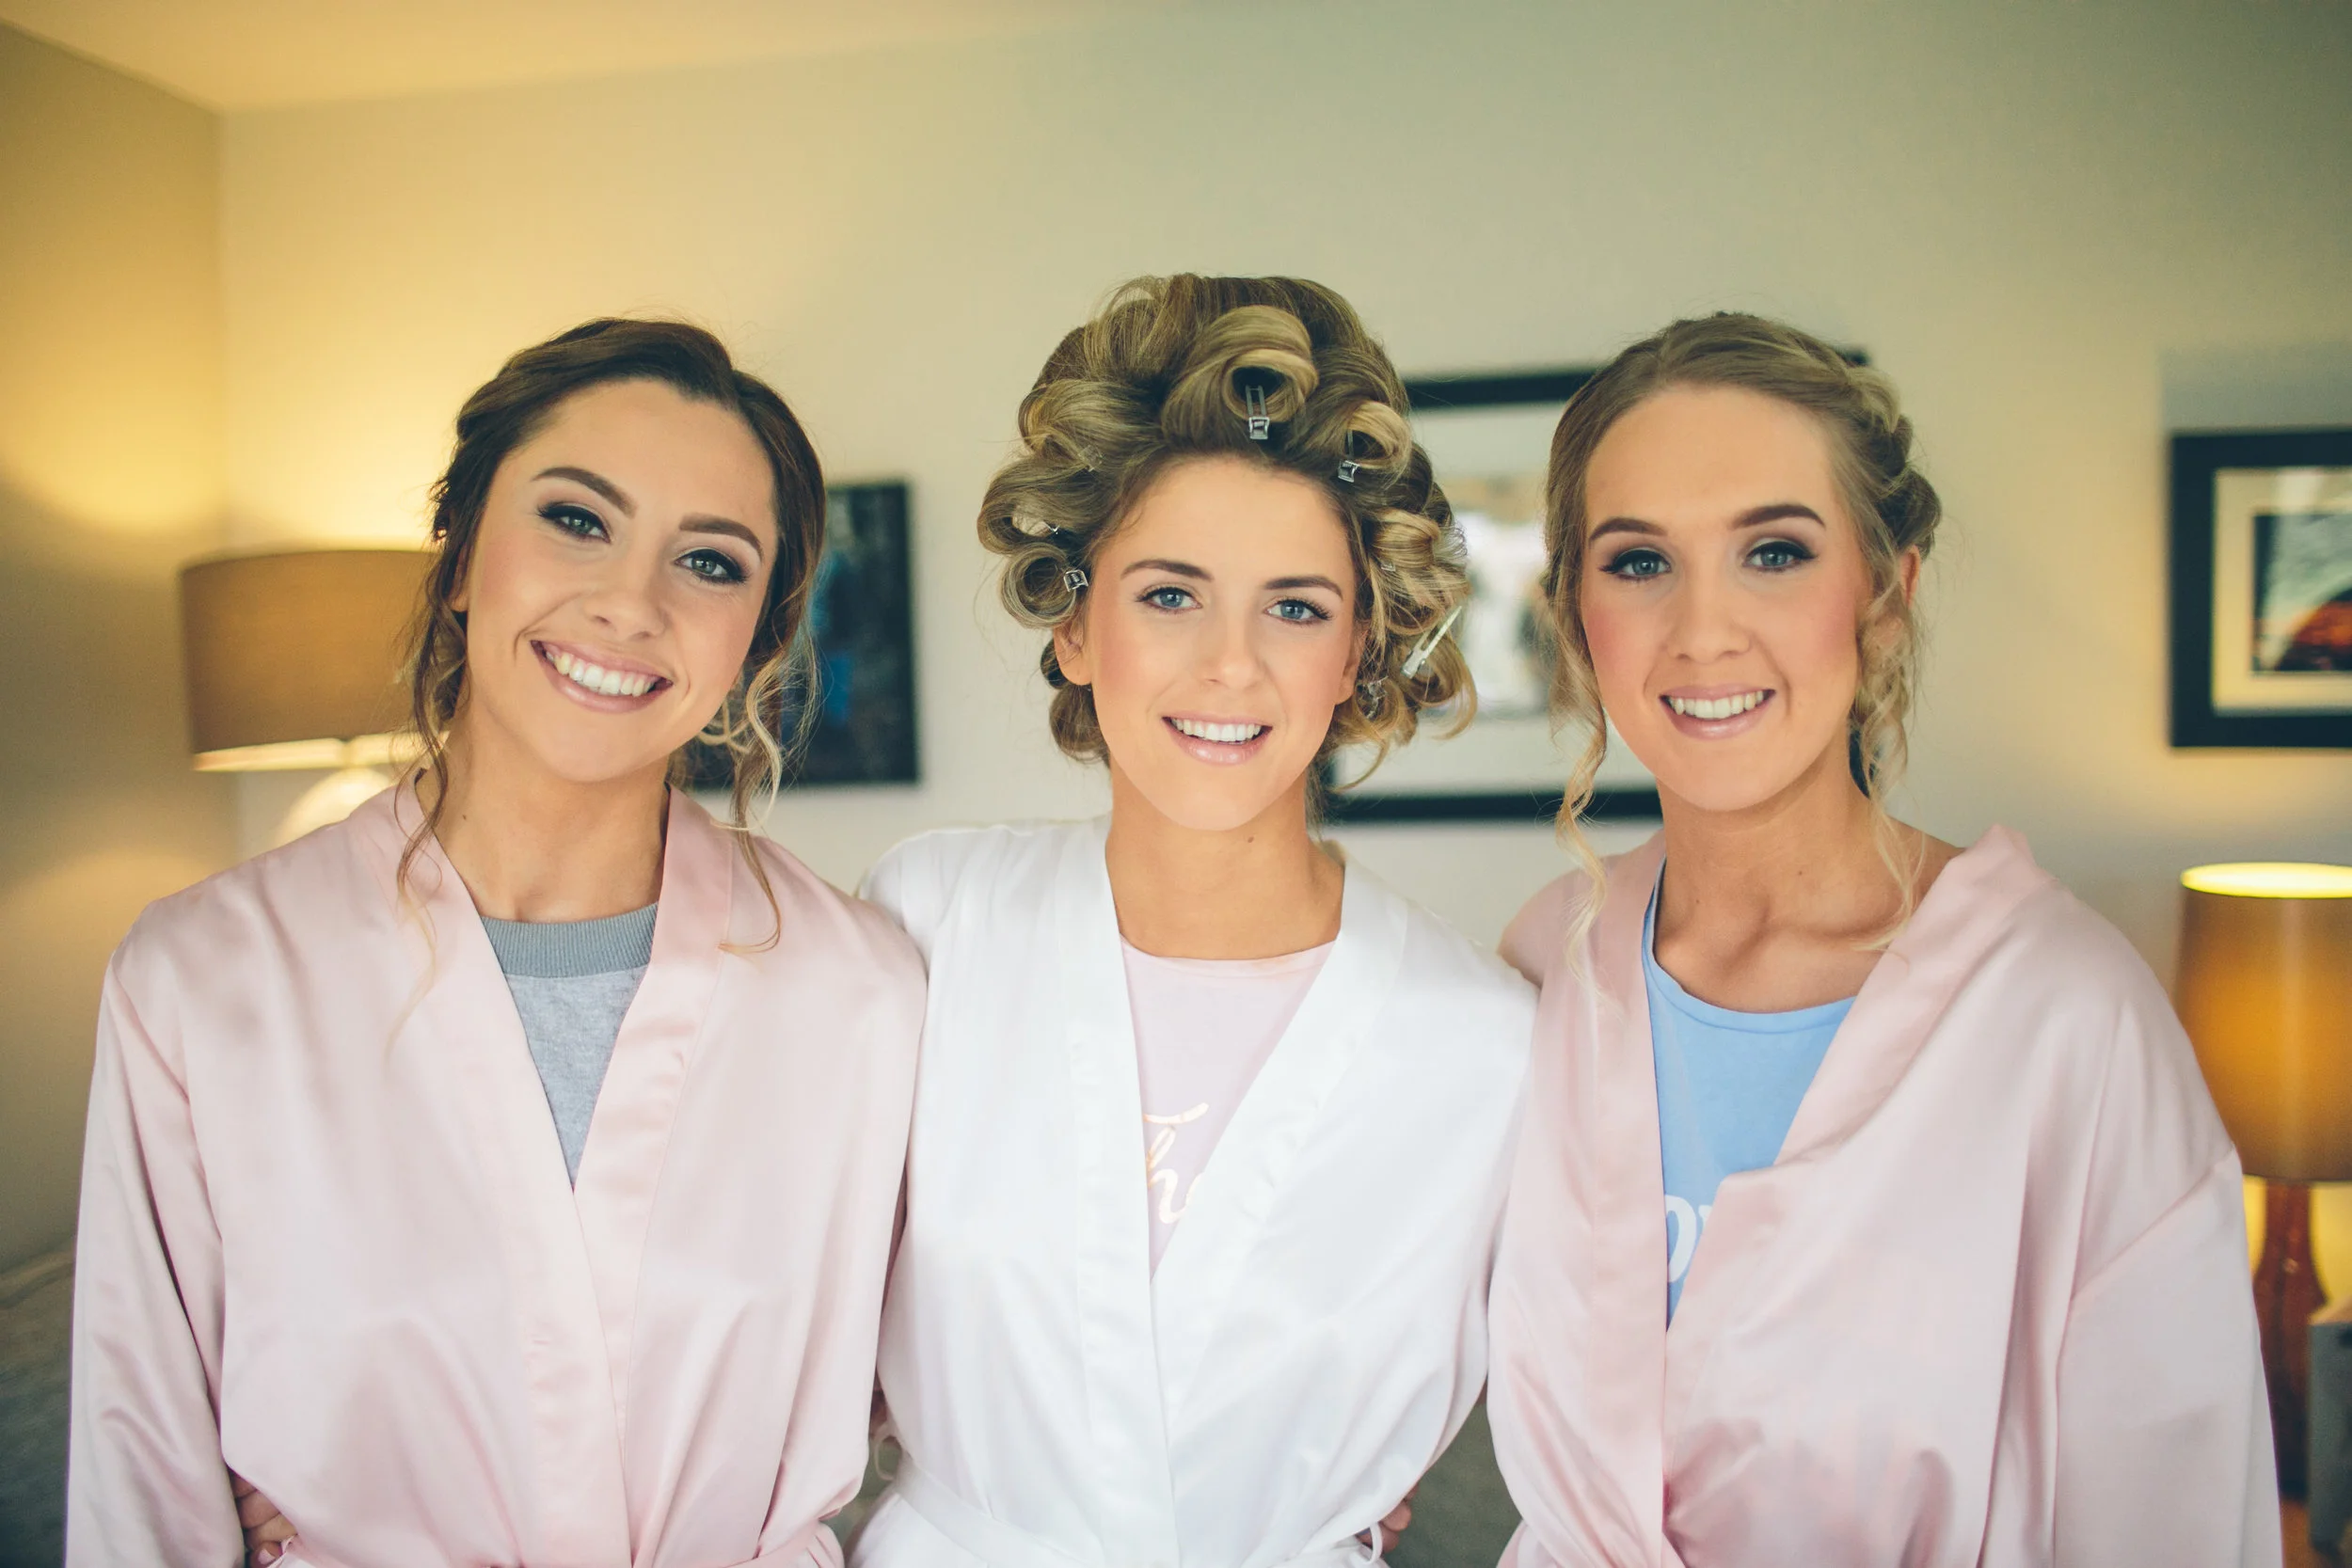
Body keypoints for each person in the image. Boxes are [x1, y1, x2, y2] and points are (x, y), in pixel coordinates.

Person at [69, 320, 923, 1568]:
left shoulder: (858, 991)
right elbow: (137, 1461)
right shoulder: (204, 979)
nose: (630, 602)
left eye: (711, 561)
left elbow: (976, 1377)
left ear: (759, 636)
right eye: (578, 519)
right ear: (460, 552)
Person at [1486, 313, 2278, 1566]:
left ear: (1887, 595)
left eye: (1775, 551)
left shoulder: (2065, 1020)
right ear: (1579, 618)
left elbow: (2175, 1511)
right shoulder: (1547, 969)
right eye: (1639, 562)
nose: (1703, 630)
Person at [848, 276, 1534, 1568]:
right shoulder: (932, 925)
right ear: (1073, 624)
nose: (1232, 663)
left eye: (1295, 605)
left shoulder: (1487, 1045)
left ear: (1359, 652)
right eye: (1170, 594)